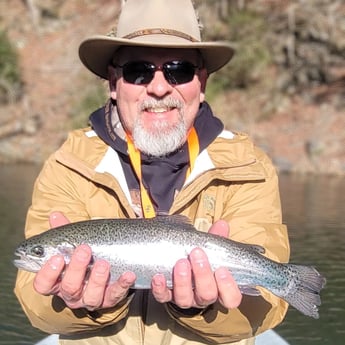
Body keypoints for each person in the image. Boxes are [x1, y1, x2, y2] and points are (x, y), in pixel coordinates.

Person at [14, 0, 290, 344]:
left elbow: (265, 308)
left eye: (179, 69)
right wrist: (79, 306)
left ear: (201, 83)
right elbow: (33, 302)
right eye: (138, 71)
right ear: (114, 83)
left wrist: (200, 310)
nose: (159, 87)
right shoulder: (69, 165)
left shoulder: (248, 168)